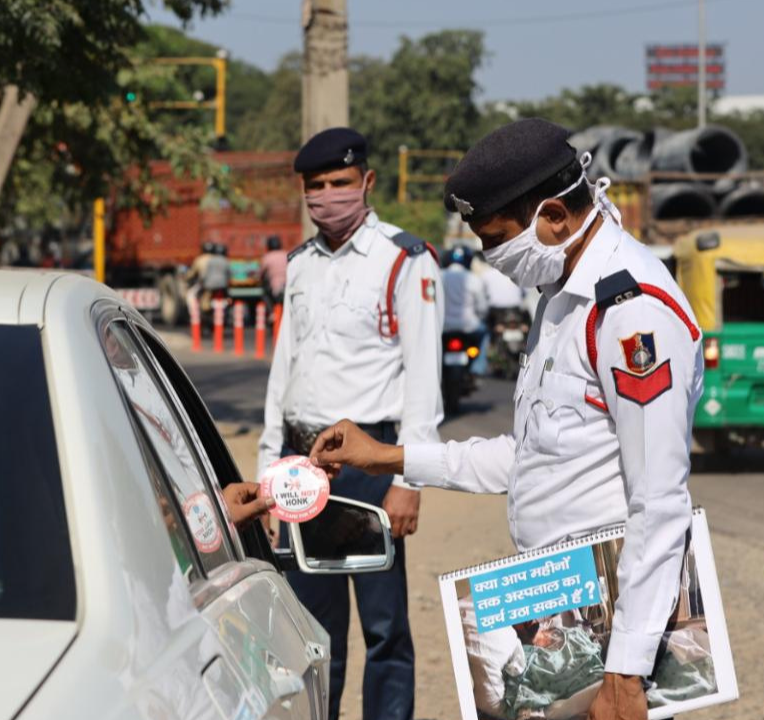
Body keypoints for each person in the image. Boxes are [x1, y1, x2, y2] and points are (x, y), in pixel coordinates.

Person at [310, 119, 702, 720]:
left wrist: (627, 669)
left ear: (553, 217)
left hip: (616, 634)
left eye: (497, 238)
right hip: (561, 606)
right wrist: (387, 456)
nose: (493, 258)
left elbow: (659, 499)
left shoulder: (631, 313)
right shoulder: (559, 293)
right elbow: (530, 455)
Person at [258, 126, 443, 720]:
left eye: (341, 182)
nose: (329, 195)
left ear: (366, 182)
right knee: (311, 629)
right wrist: (269, 471)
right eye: (317, 186)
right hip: (302, 467)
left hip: (370, 464)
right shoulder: (301, 265)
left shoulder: (404, 261)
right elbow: (283, 372)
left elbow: (423, 377)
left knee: (385, 627)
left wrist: (407, 478)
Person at [442, 245, 490, 375]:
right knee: (485, 333)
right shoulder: (474, 279)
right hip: (469, 327)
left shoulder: (439, 276)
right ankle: (478, 368)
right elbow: (482, 308)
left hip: (443, 327)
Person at [260, 235, 288, 309]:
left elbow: (261, 274)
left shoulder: (267, 257)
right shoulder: (287, 254)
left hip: (276, 291)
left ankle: (271, 313)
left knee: (264, 294)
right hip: (289, 287)